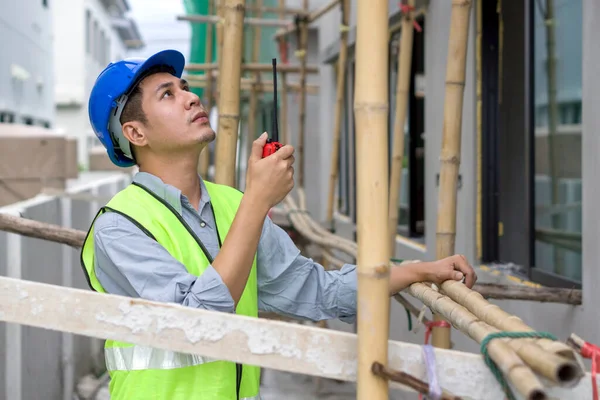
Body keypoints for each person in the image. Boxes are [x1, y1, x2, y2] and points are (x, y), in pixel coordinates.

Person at [81, 49, 477, 400]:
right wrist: (257, 201)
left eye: (184, 87)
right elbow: (196, 322)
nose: (192, 97)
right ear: (135, 132)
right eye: (168, 94)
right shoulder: (119, 227)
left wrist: (414, 270)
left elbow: (319, 291)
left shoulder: (230, 204)